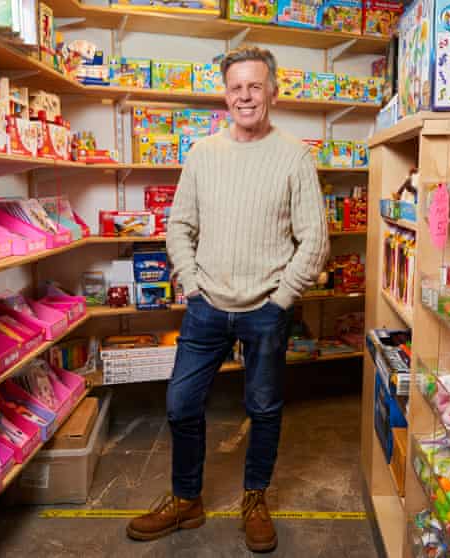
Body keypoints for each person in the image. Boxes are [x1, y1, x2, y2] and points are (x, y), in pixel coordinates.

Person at [126, 46, 329, 553]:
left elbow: (315, 240)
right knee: (180, 404)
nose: (245, 96)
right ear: (224, 93)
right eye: (236, 87)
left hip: (265, 309)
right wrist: (191, 283)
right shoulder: (202, 153)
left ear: (272, 91)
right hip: (206, 305)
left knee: (263, 408)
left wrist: (281, 299)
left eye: (255, 86)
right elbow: (179, 226)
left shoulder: (294, 156)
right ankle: (186, 499)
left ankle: (255, 499)